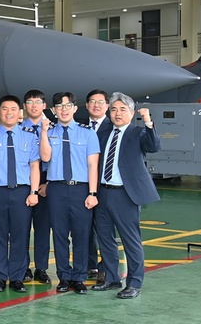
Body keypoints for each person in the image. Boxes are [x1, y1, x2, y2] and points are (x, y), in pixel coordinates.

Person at [93, 92, 160, 299]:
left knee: (130, 240)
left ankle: (134, 283)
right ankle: (112, 278)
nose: (117, 113)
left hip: (125, 195)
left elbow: (154, 146)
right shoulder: (103, 134)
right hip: (103, 192)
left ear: (131, 113)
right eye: (114, 109)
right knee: (105, 239)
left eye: (123, 109)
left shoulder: (138, 133)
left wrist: (148, 122)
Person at [0, 95, 40, 294]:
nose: (9, 112)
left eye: (13, 109)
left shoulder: (29, 135)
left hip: (21, 191)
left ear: (19, 113)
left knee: (20, 236)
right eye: (4, 109)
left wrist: (34, 192)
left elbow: (34, 166)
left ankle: (17, 277)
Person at [39, 92, 99, 294]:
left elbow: (93, 165)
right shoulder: (48, 132)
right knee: (60, 234)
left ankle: (79, 277)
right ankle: (64, 276)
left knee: (81, 235)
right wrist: (44, 132)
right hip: (56, 188)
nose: (64, 110)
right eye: (59, 106)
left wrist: (92, 193)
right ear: (54, 110)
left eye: (68, 106)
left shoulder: (87, 133)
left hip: (81, 188)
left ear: (75, 108)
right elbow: (45, 156)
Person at [21, 89, 51, 285]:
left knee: (42, 229)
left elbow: (57, 159)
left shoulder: (53, 129)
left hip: (46, 186)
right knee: (20, 229)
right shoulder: (16, 129)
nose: (34, 105)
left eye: (37, 102)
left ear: (44, 106)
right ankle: (22, 267)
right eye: (30, 102)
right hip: (23, 184)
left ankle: (41, 268)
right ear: (24, 106)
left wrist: (48, 183)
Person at [85, 89, 111, 280]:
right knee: (85, 228)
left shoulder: (113, 128)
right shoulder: (79, 127)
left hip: (105, 186)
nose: (96, 105)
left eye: (100, 102)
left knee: (104, 229)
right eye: (92, 102)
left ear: (107, 106)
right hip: (82, 185)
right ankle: (89, 264)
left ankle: (105, 267)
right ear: (86, 106)